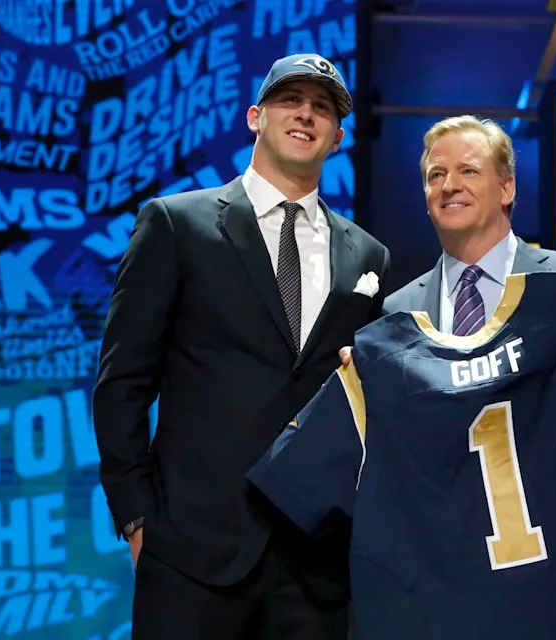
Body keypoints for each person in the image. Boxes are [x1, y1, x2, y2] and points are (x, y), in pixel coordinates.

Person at [341, 114, 556, 634]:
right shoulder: (397, 315)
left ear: (507, 187)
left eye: (468, 171)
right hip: (442, 598)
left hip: (555, 596)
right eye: (435, 175)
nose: (449, 185)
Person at [93, 53, 390, 640]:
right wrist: (136, 519)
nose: (306, 113)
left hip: (316, 566)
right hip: (190, 557)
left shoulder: (369, 257)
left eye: (323, 108)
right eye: (290, 100)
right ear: (256, 116)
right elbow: (123, 381)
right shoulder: (177, 224)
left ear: (336, 136)